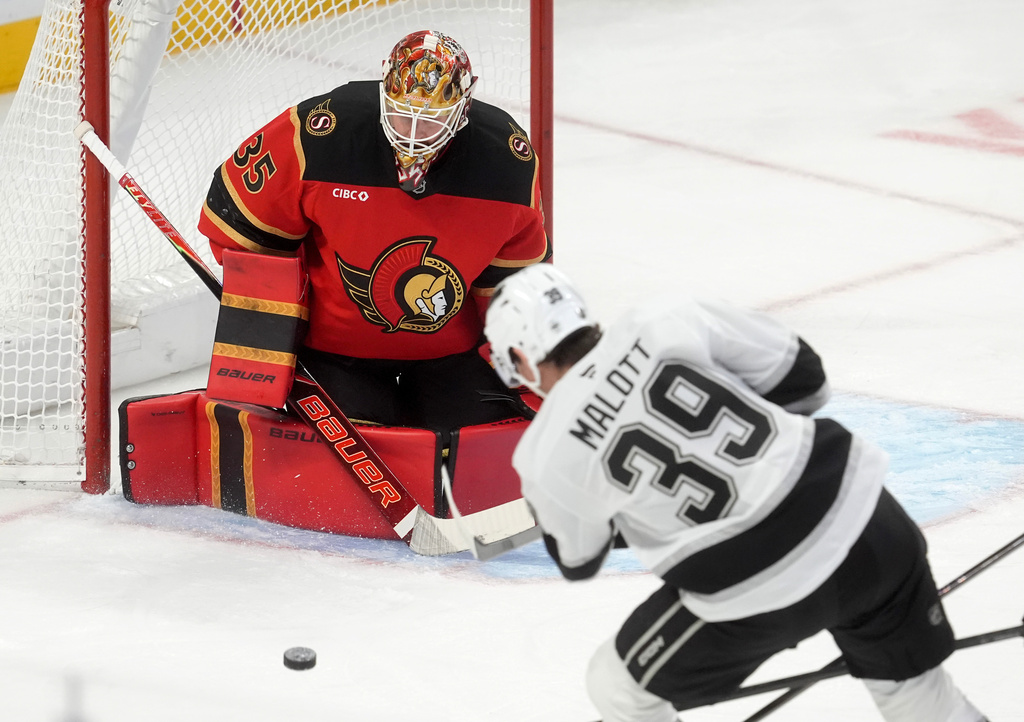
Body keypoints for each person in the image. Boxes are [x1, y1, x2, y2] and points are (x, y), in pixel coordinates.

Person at [483, 264, 987, 722]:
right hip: (869, 523)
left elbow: (579, 558)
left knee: (617, 688)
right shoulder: (667, 317)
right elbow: (808, 381)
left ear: (521, 359)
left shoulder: (545, 452)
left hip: (759, 591)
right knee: (918, 696)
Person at [198, 30, 550, 441]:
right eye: (403, 114)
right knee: (341, 471)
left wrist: (531, 370)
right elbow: (237, 224)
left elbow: (518, 287)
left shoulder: (507, 163)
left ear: (463, 108)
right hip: (335, 356)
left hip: (454, 358)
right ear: (383, 93)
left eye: (432, 119)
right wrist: (269, 348)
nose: (414, 134)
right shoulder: (320, 135)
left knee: (477, 453)